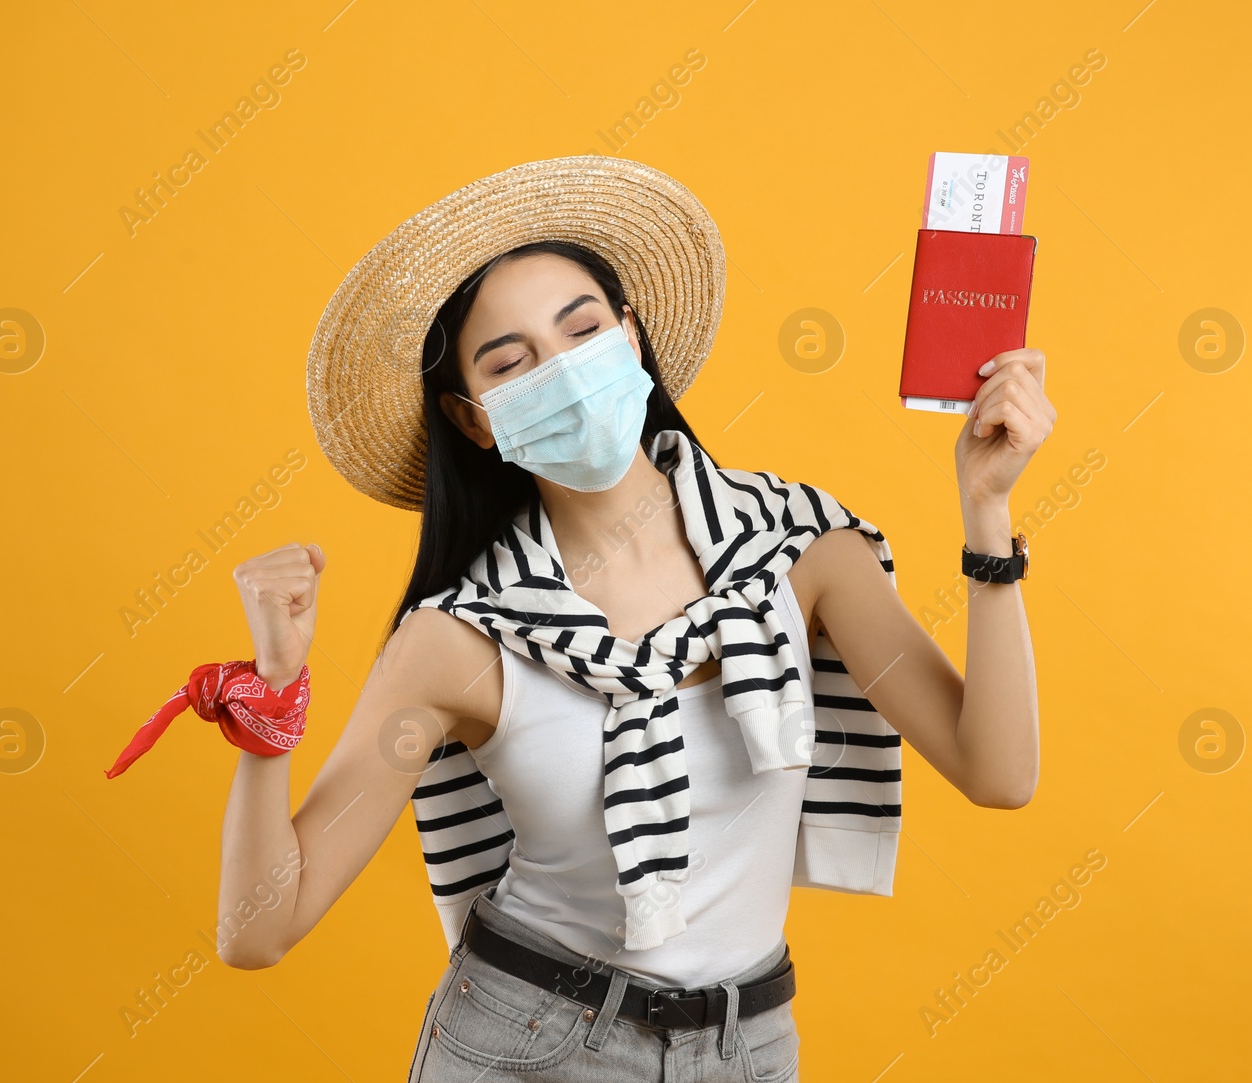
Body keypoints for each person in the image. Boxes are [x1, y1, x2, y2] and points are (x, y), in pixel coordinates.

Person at [212, 156, 1049, 1080]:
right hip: (526, 1042)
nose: (563, 372)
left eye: (582, 330)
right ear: (474, 418)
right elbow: (260, 932)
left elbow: (998, 771)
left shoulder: (798, 554)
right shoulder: (459, 638)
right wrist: (272, 697)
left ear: (633, 338)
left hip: (749, 1044)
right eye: (511, 361)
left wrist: (986, 511)